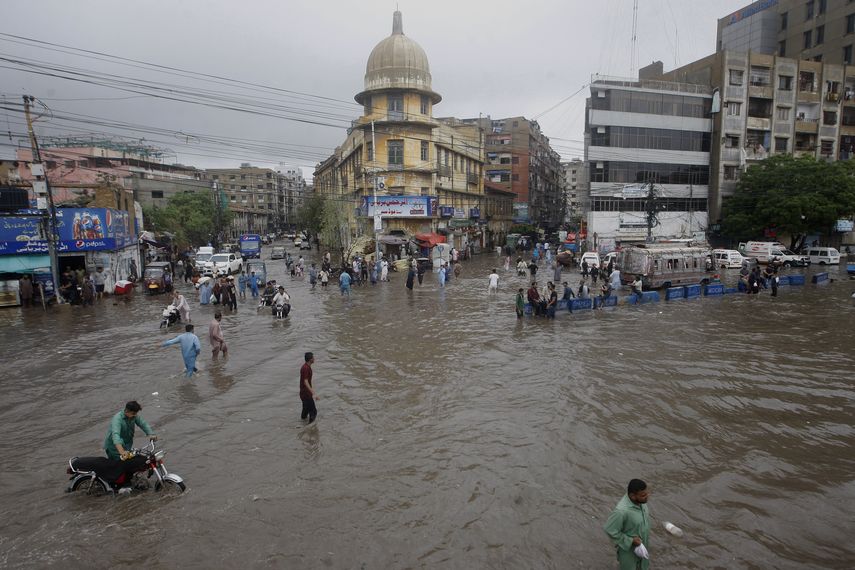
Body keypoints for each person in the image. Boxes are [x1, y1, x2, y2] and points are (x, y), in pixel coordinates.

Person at [604, 479, 651, 570]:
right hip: (628, 552)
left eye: (647, 493)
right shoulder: (621, 511)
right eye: (643, 495)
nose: (647, 496)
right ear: (632, 496)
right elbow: (609, 530)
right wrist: (630, 540)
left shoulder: (641, 503)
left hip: (642, 547)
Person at [300, 352, 317, 423]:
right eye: (313, 357)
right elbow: (305, 381)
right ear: (310, 359)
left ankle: (302, 424)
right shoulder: (306, 368)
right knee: (313, 412)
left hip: (303, 393)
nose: (314, 359)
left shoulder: (305, 366)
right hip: (306, 394)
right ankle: (309, 428)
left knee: (305, 410)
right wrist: (313, 392)